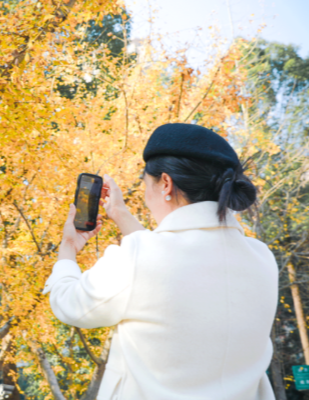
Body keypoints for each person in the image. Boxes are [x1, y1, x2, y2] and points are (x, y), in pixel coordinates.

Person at [43, 123, 278, 400]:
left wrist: (68, 248)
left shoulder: (139, 257)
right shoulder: (262, 258)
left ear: (165, 183)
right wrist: (120, 214)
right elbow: (170, 264)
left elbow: (70, 304)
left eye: (146, 184)